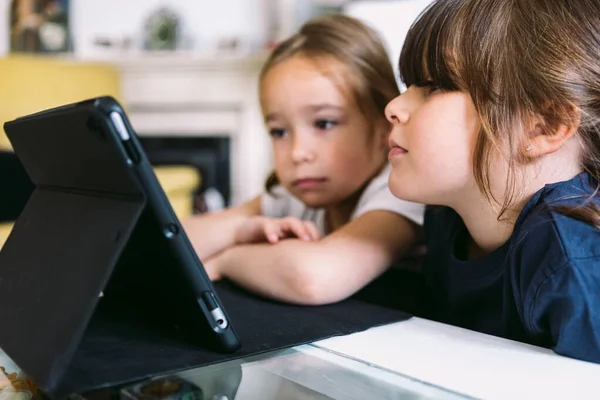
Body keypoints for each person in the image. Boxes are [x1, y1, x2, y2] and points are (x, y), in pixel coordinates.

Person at [385, 0, 600, 362]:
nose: (394, 106)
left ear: (544, 125)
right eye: (407, 85)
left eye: (434, 86)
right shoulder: (445, 218)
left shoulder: (572, 259)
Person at [183, 14, 425, 306]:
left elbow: (313, 278)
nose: (297, 153)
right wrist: (237, 230)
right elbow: (170, 243)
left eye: (324, 124)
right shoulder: (295, 196)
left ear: (383, 127)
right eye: (279, 131)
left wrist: (226, 259)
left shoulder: (400, 193)